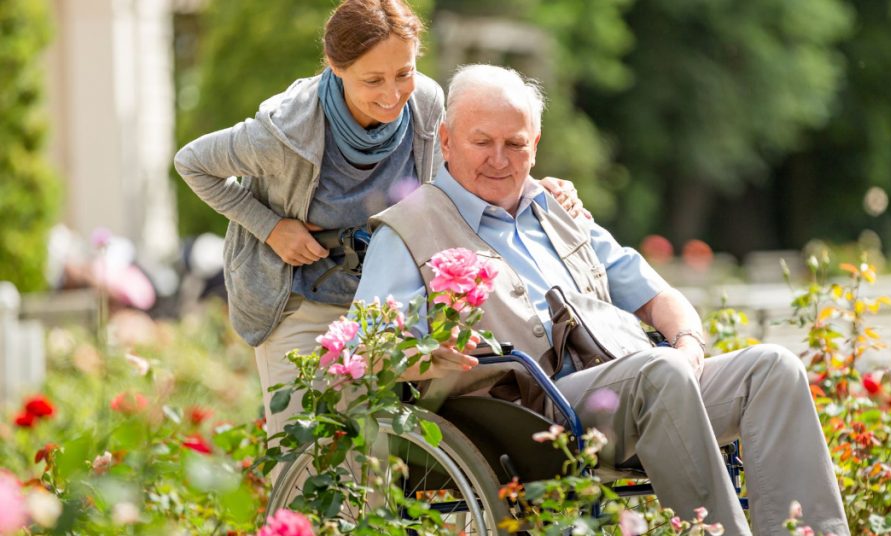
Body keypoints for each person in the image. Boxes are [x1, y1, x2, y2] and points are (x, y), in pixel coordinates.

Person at [353, 64, 850, 535]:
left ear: (536, 145)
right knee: (661, 372)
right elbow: (371, 349)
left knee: (773, 369)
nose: (499, 159)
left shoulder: (559, 210)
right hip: (522, 417)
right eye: (481, 141)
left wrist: (689, 344)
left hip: (632, 389)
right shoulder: (408, 230)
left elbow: (659, 296)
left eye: (515, 144)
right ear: (445, 139)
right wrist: (429, 357)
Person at [173, 0, 584, 443]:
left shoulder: (426, 103)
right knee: (306, 452)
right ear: (335, 67)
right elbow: (191, 162)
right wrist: (270, 227)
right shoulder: (285, 131)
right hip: (301, 302)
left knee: (380, 457)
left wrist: (536, 186)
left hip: (387, 305)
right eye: (373, 79)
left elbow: (463, 171)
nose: (392, 93)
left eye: (403, 73)